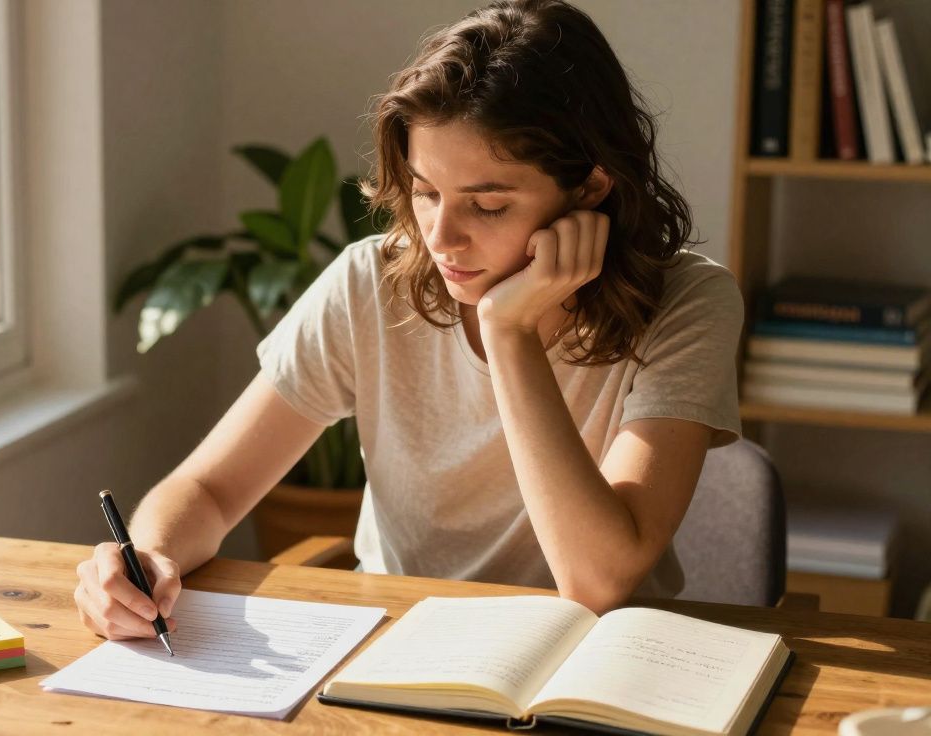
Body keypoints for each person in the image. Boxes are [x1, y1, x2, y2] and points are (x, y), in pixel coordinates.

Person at [75, 0, 743, 641]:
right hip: (397, 650)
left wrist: (509, 334)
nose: (442, 237)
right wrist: (150, 557)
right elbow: (210, 488)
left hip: (598, 665)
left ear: (590, 188)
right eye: (426, 194)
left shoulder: (687, 304)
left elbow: (597, 582)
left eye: (487, 205)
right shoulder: (371, 281)